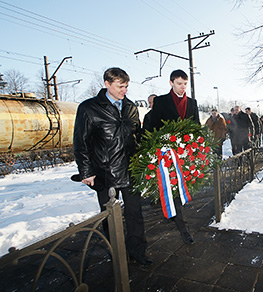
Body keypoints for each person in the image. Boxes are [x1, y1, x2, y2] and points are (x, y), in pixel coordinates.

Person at [73, 67, 152, 266]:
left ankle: (137, 251)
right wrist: (86, 172)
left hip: (131, 170)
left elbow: (137, 135)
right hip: (105, 173)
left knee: (135, 213)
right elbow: (80, 142)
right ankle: (116, 252)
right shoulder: (89, 108)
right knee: (110, 217)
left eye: (126, 86)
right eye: (120, 87)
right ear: (107, 84)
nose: (124, 91)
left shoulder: (131, 107)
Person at [143, 69, 199, 244]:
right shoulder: (160, 101)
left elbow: (196, 126)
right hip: (166, 154)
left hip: (185, 155)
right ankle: (183, 229)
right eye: (179, 84)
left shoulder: (192, 103)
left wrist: (195, 147)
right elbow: (152, 127)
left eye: (185, 84)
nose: (182, 88)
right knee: (172, 188)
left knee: (180, 189)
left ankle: (175, 214)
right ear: (171, 83)